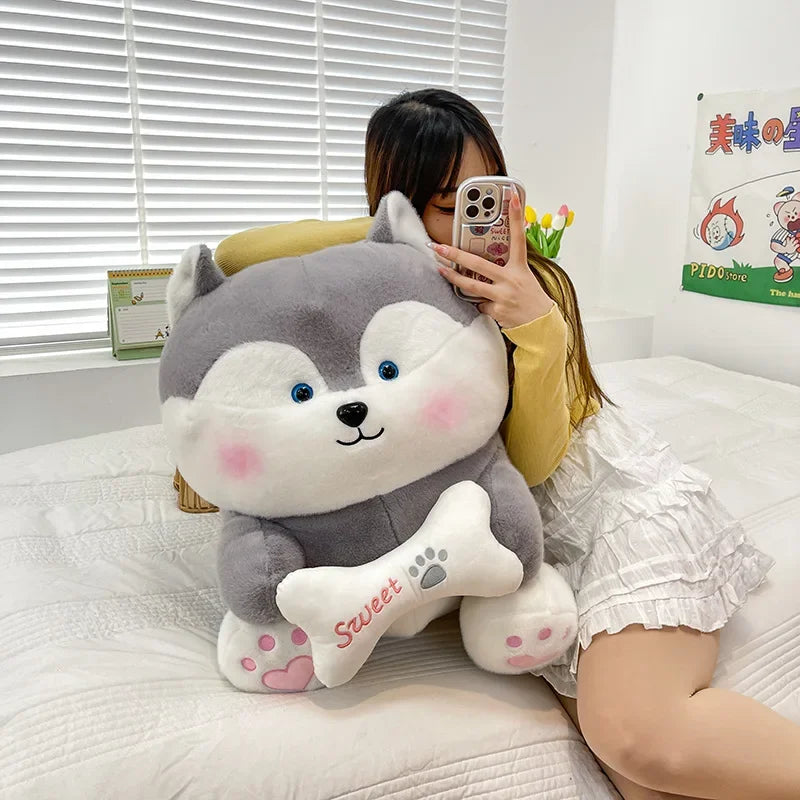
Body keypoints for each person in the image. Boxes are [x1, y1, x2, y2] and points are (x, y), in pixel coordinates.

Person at [215, 88, 799, 800]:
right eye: (449, 202)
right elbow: (235, 256)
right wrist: (390, 234)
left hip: (605, 508)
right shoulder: (383, 291)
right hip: (521, 548)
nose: (480, 220)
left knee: (635, 737)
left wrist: (536, 327)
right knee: (643, 783)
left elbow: (534, 461)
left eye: (489, 193)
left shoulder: (537, 284)